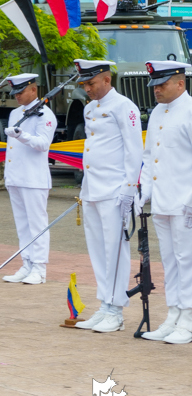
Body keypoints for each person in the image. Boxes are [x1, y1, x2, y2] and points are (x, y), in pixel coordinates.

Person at [72, 60, 142, 333]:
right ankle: (105, 305)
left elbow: (134, 149)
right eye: (84, 84)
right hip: (92, 189)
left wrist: (129, 186)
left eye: (91, 83)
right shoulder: (90, 109)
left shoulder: (124, 106)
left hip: (115, 190)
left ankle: (116, 310)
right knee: (98, 250)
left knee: (115, 250)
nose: (87, 89)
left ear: (106, 80)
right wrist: (85, 186)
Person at [137, 61, 192, 343]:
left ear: (180, 83)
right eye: (154, 85)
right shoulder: (158, 112)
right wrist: (143, 192)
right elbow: (149, 157)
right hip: (161, 201)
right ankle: (173, 315)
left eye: (162, 84)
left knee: (188, 261)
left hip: (185, 202)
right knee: (170, 261)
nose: (156, 90)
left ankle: (189, 319)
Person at [1, 74, 57, 286]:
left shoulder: (45, 114)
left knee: (37, 224)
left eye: (21, 92)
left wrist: (21, 135)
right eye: (14, 93)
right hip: (16, 176)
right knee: (22, 225)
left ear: (33, 90)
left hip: (34, 178)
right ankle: (27, 263)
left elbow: (43, 144)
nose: (17, 96)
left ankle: (39, 268)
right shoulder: (16, 113)